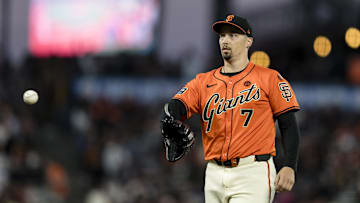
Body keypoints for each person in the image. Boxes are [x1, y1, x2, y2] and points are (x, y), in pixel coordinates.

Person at [160, 14, 301, 203]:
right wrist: (168, 117)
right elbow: (175, 107)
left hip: (252, 171)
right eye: (222, 36)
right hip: (213, 173)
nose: (226, 40)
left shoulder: (270, 78)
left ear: (248, 42)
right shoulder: (203, 81)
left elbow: (288, 125)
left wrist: (289, 165)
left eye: (233, 36)